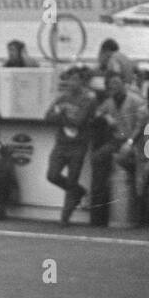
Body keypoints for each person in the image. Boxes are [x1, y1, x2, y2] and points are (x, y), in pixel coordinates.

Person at [88, 71, 148, 228]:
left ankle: (140, 217)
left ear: (123, 83)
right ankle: (98, 215)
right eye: (111, 84)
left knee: (136, 171)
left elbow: (141, 125)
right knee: (97, 158)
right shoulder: (109, 102)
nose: (113, 86)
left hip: (137, 142)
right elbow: (98, 112)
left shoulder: (136, 100)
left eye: (116, 83)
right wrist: (105, 116)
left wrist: (130, 142)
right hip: (117, 141)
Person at [44, 68, 98, 225]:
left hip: (78, 145)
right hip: (61, 143)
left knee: (72, 179)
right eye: (69, 79)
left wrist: (61, 115)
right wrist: (62, 115)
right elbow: (47, 116)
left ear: (82, 81)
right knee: (52, 175)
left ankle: (65, 217)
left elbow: (79, 121)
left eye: (75, 79)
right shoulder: (62, 98)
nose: (71, 83)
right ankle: (79, 192)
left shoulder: (88, 99)